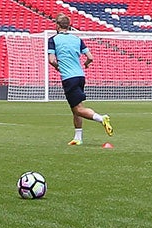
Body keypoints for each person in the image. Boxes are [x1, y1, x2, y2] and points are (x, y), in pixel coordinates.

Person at [46, 14, 112, 144]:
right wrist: (86, 64)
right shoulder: (77, 39)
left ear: (57, 26)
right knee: (75, 108)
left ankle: (101, 118)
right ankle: (78, 138)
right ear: (69, 26)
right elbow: (90, 57)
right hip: (80, 76)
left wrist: (57, 67)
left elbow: (51, 59)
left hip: (69, 78)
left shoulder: (53, 39)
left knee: (78, 109)